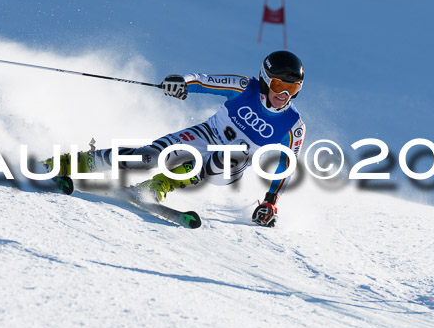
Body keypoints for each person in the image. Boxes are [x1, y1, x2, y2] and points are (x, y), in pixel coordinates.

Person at [46, 50, 306, 227]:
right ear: (264, 80)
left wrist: (271, 203)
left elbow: (285, 168)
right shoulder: (243, 88)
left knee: (225, 157)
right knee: (148, 156)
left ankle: (156, 187)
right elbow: (203, 81)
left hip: (229, 166)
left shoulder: (293, 127)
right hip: (207, 134)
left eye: (292, 88)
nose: (283, 94)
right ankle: (71, 164)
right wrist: (181, 82)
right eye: (277, 85)